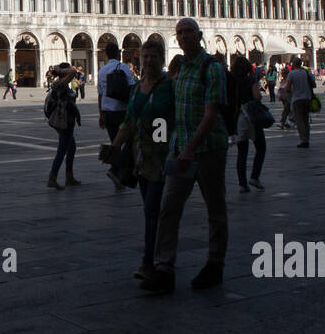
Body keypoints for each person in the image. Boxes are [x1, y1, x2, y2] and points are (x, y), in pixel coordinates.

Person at [142, 18, 230, 294]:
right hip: (181, 151)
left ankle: (215, 264)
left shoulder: (212, 68)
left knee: (215, 209)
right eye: (179, 32)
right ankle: (164, 268)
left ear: (198, 35)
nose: (182, 36)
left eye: (187, 32)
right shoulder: (179, 71)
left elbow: (212, 113)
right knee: (168, 208)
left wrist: (190, 149)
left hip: (208, 150)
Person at [106, 37, 174, 282]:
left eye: (153, 56)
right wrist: (115, 146)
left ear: (161, 59)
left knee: (153, 211)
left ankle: (153, 262)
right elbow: (129, 122)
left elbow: (176, 119)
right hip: (141, 158)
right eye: (144, 56)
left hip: (163, 156)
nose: (147, 60)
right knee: (151, 210)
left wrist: (170, 142)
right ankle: (156, 259)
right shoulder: (136, 89)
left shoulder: (170, 87)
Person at [44, 63, 83, 189]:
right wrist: (61, 69)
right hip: (64, 121)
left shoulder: (61, 83)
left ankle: (69, 176)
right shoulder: (60, 83)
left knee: (71, 148)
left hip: (65, 120)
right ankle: (52, 177)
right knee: (62, 150)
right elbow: (72, 71)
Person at [232, 55, 266, 193]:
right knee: (261, 147)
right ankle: (254, 176)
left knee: (242, 152)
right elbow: (257, 96)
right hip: (252, 117)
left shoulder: (232, 81)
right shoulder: (251, 79)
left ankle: (242, 184)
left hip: (238, 118)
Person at [97, 42, 136, 155]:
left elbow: (100, 94)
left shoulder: (102, 71)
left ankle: (117, 167)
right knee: (129, 142)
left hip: (108, 113)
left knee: (114, 142)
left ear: (106, 55)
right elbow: (132, 86)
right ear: (118, 54)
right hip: (123, 111)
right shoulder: (123, 67)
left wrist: (101, 115)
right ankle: (122, 167)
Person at [287, 58, 315, 148]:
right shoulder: (307, 72)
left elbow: (287, 88)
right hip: (307, 98)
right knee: (306, 120)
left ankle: (303, 140)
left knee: (300, 121)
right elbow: (314, 84)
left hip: (297, 99)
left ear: (293, 64)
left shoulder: (292, 74)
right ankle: (307, 138)